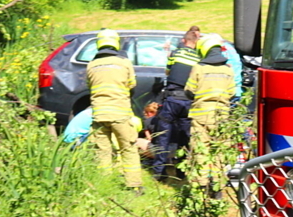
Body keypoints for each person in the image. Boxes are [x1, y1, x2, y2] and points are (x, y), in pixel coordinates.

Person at [86, 28, 143, 194]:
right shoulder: (124, 63)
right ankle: (134, 186)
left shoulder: (91, 65)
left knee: (102, 151)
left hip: (99, 114)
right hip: (120, 114)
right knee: (128, 148)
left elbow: (90, 88)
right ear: (115, 43)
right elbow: (132, 85)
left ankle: (104, 185)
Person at [185, 32, 238, 191]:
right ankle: (217, 189)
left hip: (201, 116)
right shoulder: (228, 70)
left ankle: (200, 186)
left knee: (200, 150)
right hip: (221, 117)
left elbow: (189, 91)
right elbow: (232, 93)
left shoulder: (199, 68)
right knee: (219, 153)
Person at [151, 29, 200, 181]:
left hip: (172, 99)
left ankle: (160, 173)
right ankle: (181, 172)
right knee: (184, 138)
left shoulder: (176, 54)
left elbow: (167, 72)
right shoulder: (199, 58)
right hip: (188, 101)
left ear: (184, 41)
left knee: (163, 136)